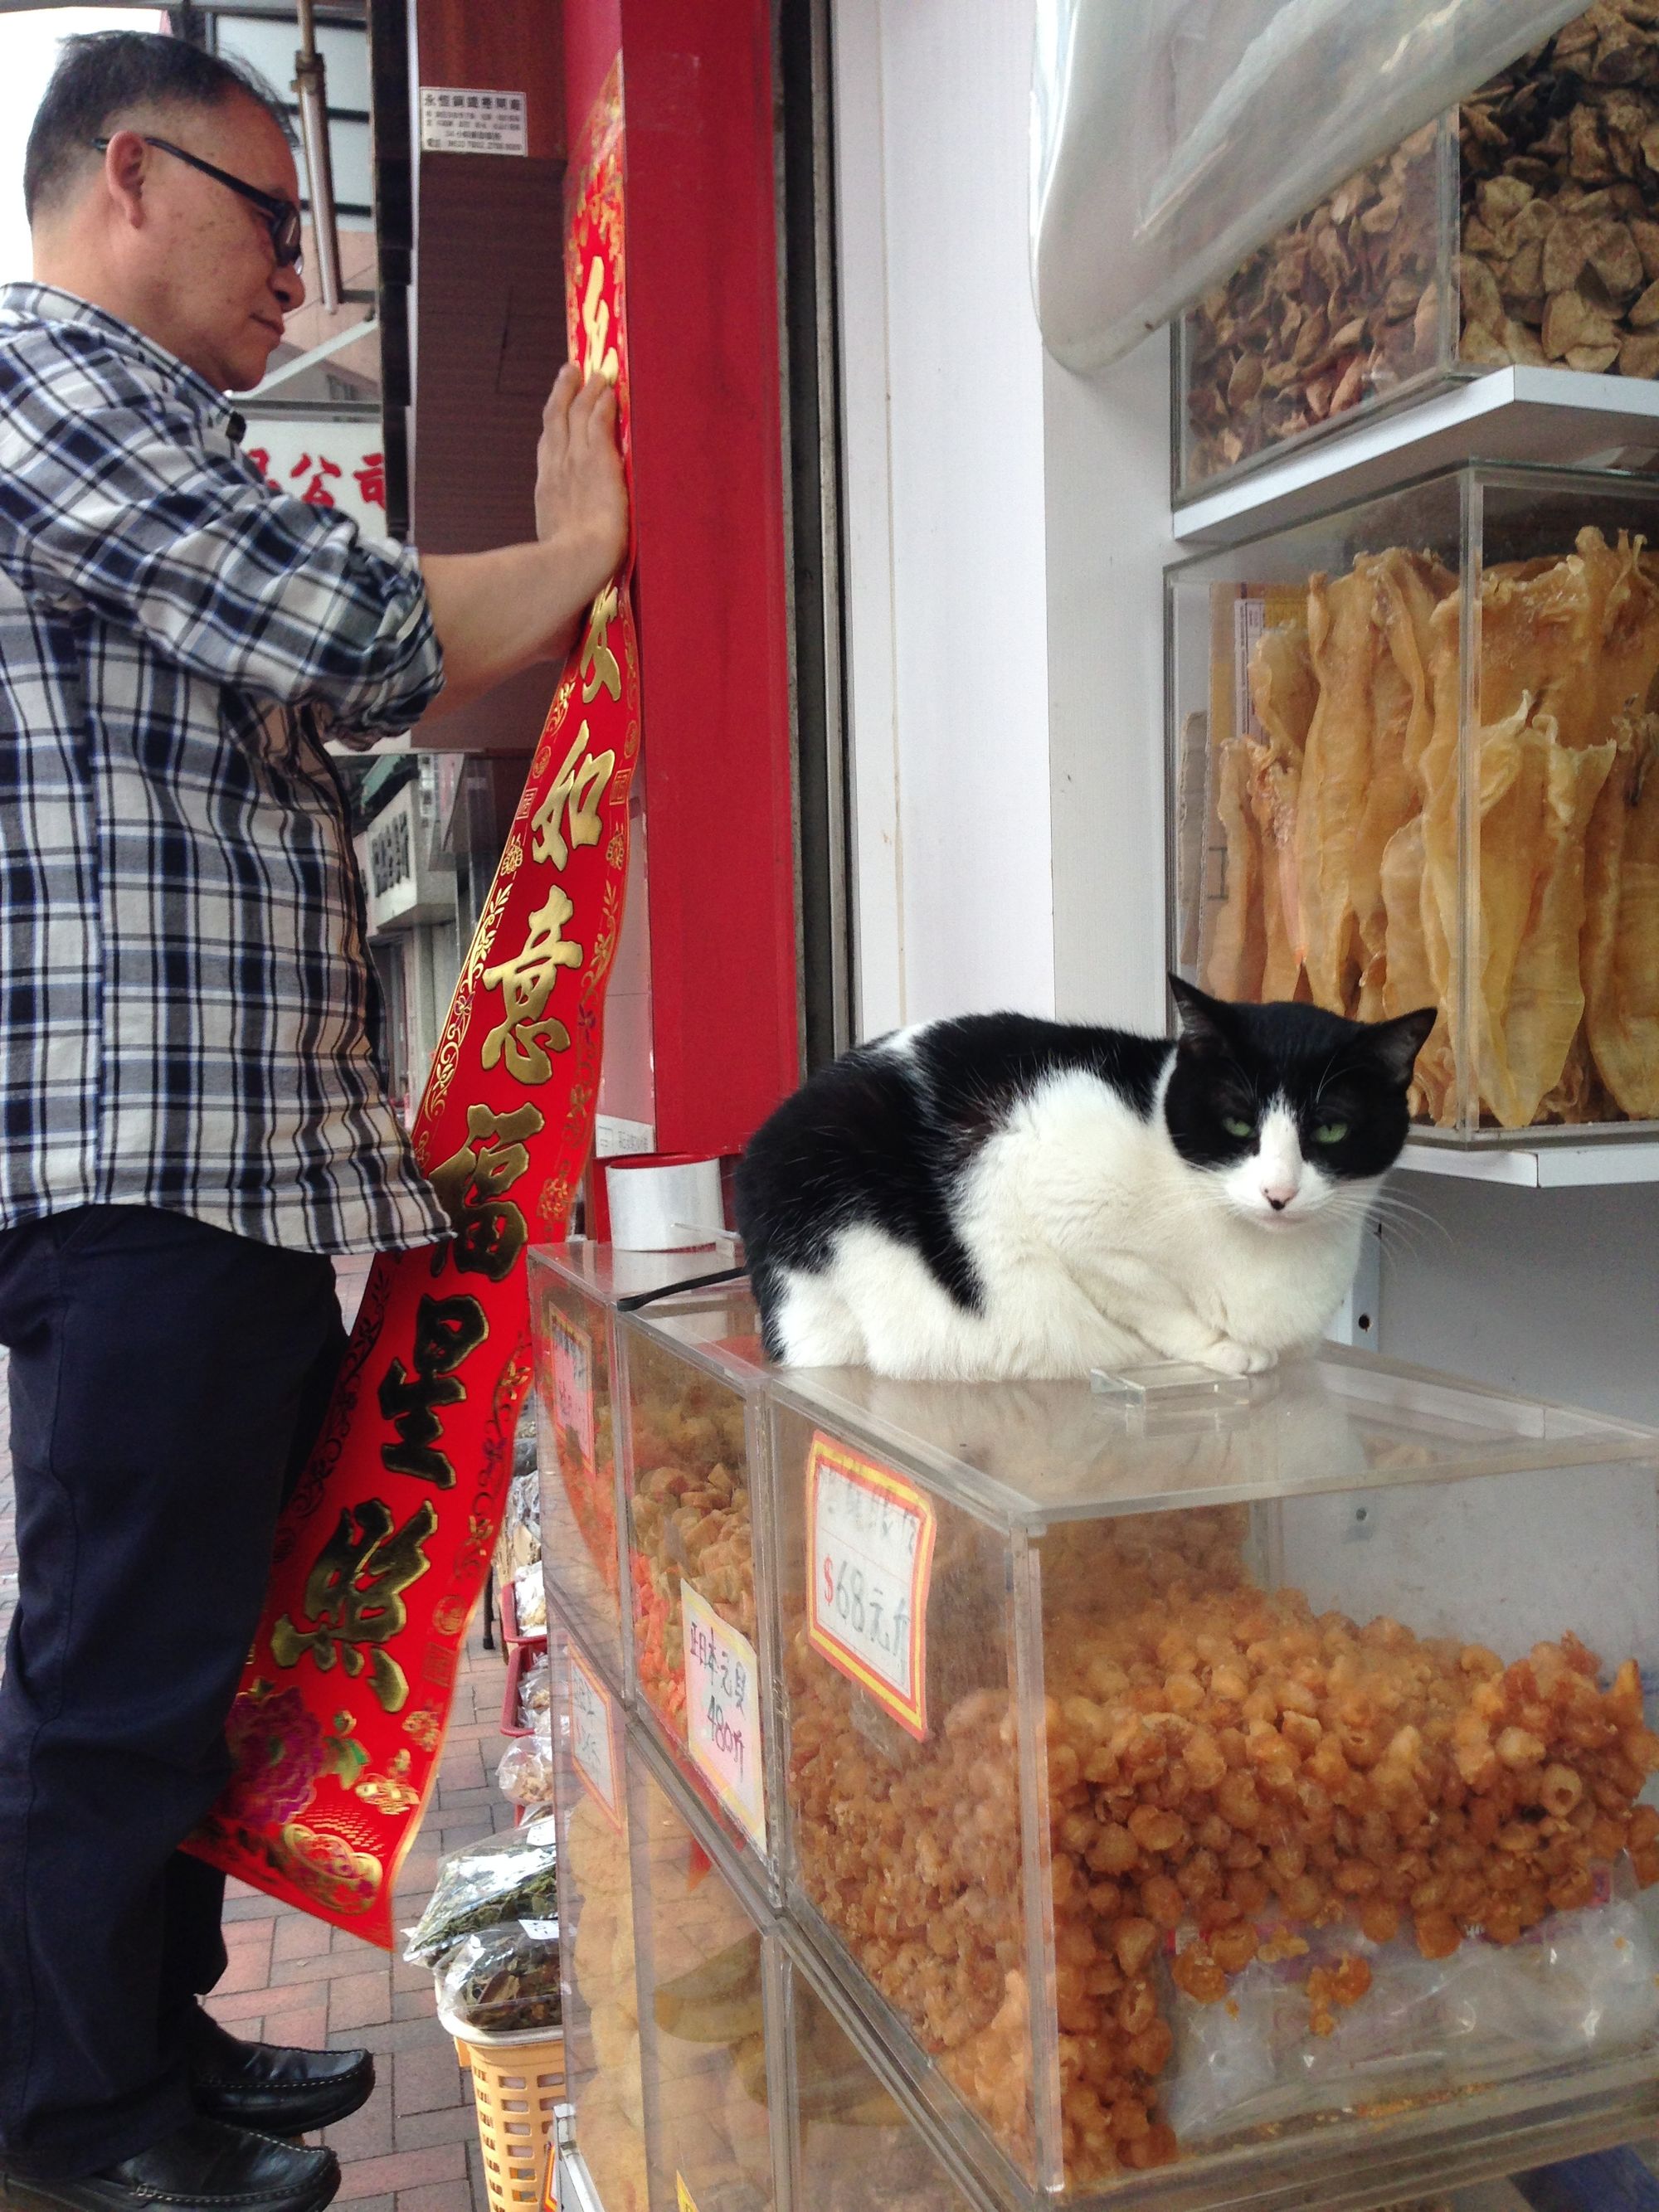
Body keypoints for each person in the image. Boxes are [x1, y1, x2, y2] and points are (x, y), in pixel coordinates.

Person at [0, 31, 626, 2212]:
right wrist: (577, 548)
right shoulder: (44, 385)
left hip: (234, 1162)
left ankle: (152, 2050)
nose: (299, 272)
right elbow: (353, 630)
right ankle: (80, 2129)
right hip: (140, 1166)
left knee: (188, 1660)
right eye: (277, 219)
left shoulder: (158, 432)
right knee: (114, 1670)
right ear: (132, 183)